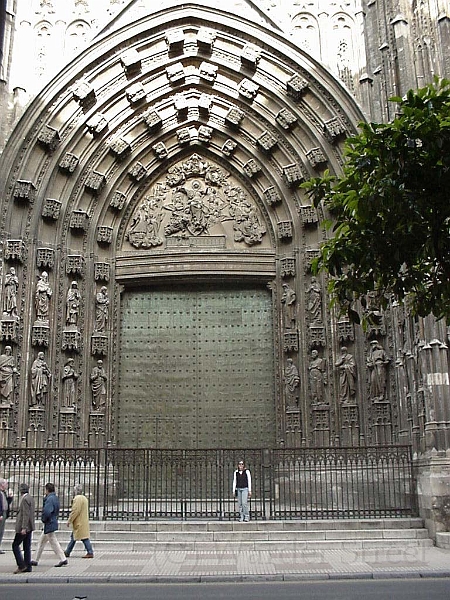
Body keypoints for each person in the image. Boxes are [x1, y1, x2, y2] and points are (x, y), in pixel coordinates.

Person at [31, 482, 67, 567]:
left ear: (47, 490)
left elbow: (47, 511)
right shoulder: (54, 498)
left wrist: (44, 519)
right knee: (41, 542)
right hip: (52, 521)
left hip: (49, 522)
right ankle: (35, 559)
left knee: (53, 541)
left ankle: (63, 558)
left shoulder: (50, 499)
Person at [64, 484, 94, 559]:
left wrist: (70, 520)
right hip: (83, 521)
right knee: (74, 537)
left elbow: (75, 511)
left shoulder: (77, 499)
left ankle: (90, 552)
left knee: (83, 537)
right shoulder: (84, 498)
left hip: (79, 521)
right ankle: (68, 551)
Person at [12, 482, 35, 573]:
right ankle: (28, 566)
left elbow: (25, 514)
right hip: (30, 526)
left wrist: (23, 527)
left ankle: (21, 565)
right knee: (27, 546)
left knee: (15, 545)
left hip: (24, 527)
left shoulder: (25, 499)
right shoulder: (30, 498)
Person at [0, 478, 13, 553]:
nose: (7, 485)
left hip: (4, 512)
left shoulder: (3, 493)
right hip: (1, 513)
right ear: (2, 484)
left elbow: (6, 503)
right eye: (5, 484)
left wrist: (10, 497)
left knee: (1, 531)